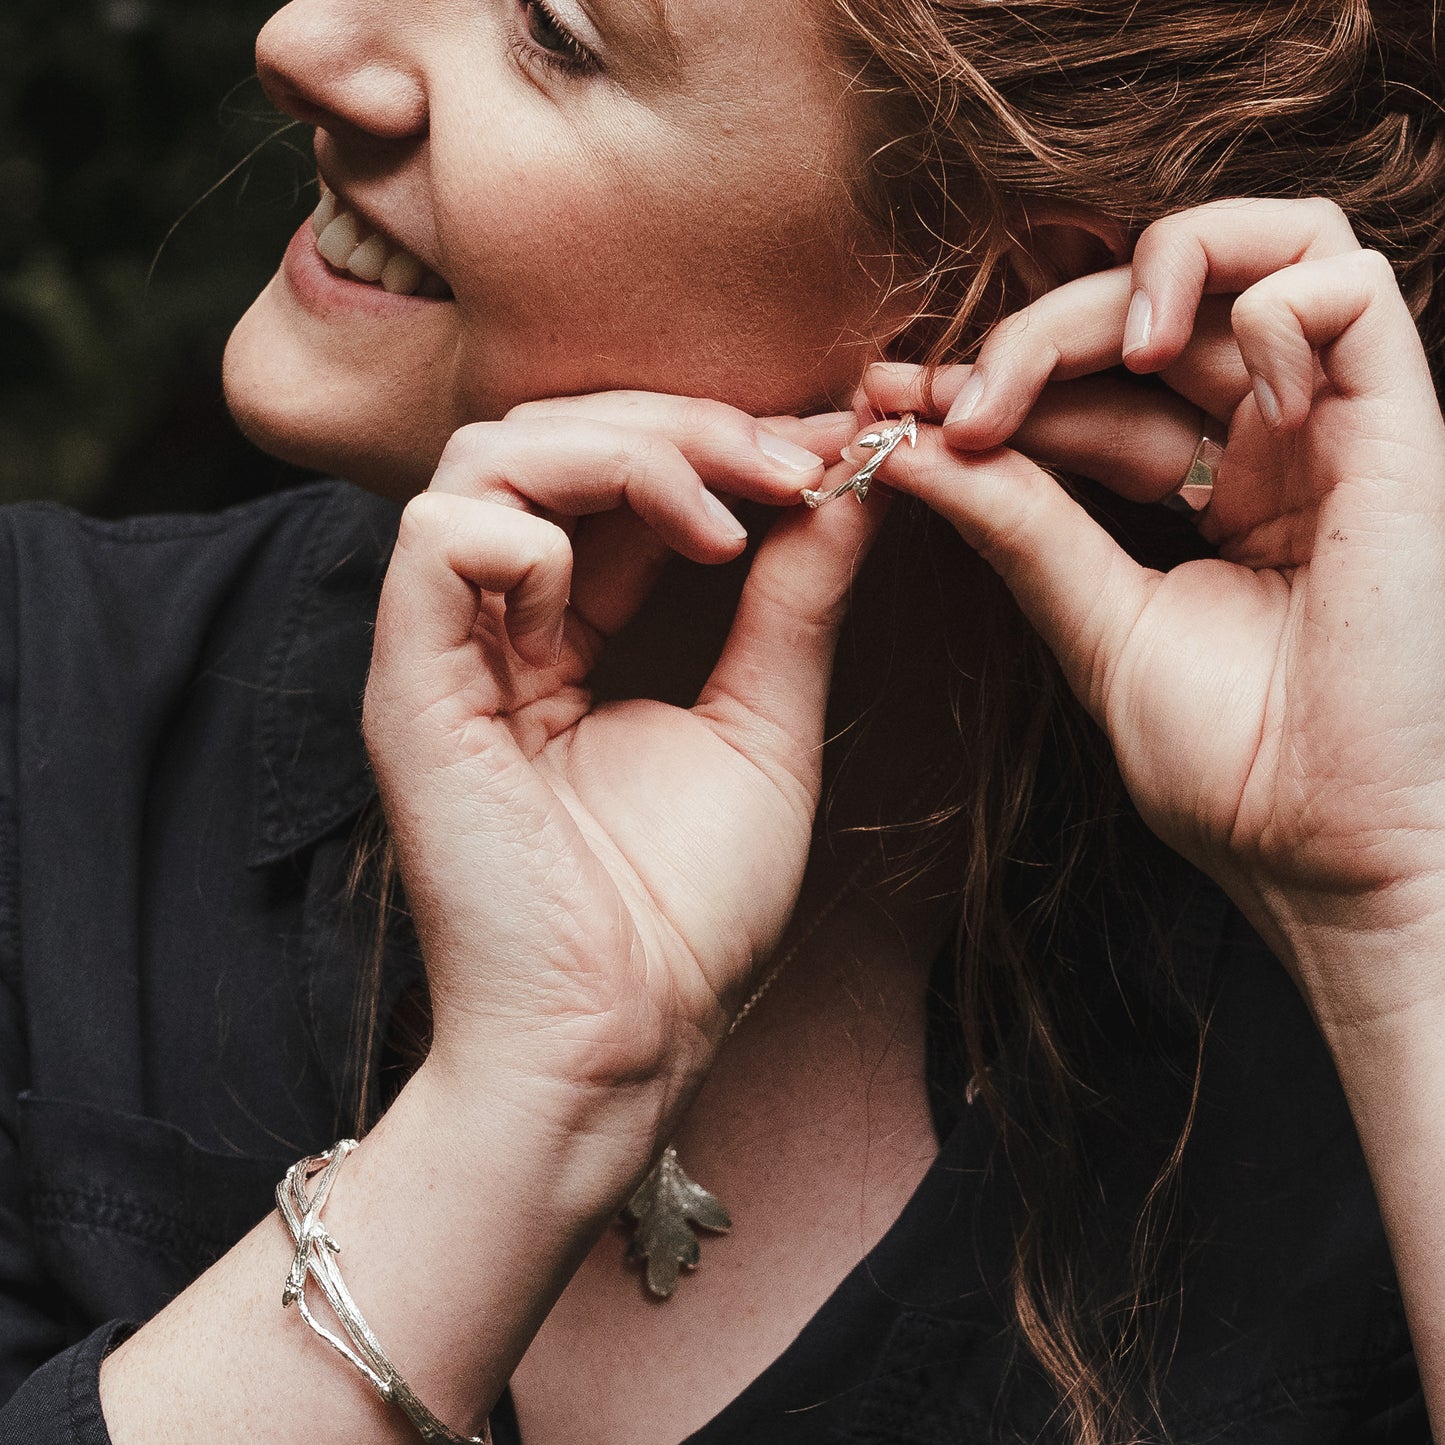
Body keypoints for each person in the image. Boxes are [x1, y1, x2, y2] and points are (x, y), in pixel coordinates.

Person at [2, 0, 1443, 1441]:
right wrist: (509, 1126)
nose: (306, 39)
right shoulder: (41, 704)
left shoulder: (1340, 1040)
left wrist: (1393, 906)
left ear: (1001, 294)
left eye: (552, 31)